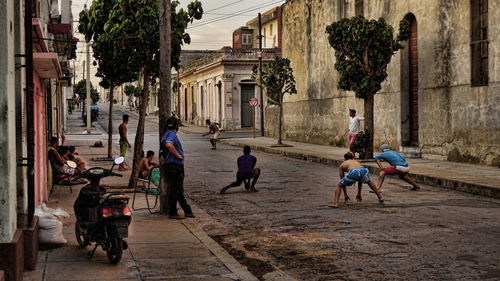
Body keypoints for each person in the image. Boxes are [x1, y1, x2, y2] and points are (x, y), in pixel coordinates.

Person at [160, 116, 195, 219]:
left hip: (170, 164)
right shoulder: (171, 134)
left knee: (177, 189)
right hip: (175, 164)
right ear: (176, 126)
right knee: (176, 189)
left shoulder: (165, 134)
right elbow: (168, 145)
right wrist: (178, 155)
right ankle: (173, 212)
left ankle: (187, 210)